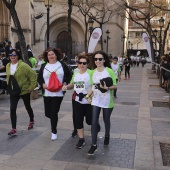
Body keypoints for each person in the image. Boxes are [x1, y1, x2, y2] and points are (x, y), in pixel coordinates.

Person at [38, 48, 71, 140]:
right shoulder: (44, 66)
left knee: (53, 112)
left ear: (56, 55)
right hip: (47, 93)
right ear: (46, 57)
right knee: (47, 113)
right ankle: (53, 120)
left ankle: (54, 131)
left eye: (52, 54)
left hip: (58, 93)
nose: (51, 56)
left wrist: (65, 83)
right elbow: (39, 78)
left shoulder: (62, 65)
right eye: (49, 55)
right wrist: (42, 84)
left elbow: (69, 75)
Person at [87, 51, 117, 155]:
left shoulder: (109, 71)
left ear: (104, 60)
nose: (98, 61)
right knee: (94, 122)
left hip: (107, 101)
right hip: (96, 100)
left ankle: (107, 134)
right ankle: (94, 145)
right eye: (96, 59)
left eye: (100, 59)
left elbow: (115, 85)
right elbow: (93, 86)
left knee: (106, 119)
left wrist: (107, 88)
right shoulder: (92, 72)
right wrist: (87, 96)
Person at [62, 55, 92, 149]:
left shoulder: (91, 73)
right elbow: (72, 84)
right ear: (77, 64)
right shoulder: (76, 73)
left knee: (89, 121)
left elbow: (95, 86)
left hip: (89, 101)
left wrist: (90, 96)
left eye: (84, 63)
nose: (82, 65)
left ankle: (95, 124)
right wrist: (67, 87)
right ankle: (81, 139)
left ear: (87, 64)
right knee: (78, 120)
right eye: (80, 63)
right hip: (78, 100)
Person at [6, 49, 37, 136]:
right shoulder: (8, 65)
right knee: (12, 109)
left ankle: (31, 119)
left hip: (24, 90)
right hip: (13, 91)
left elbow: (33, 75)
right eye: (11, 55)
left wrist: (31, 87)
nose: (12, 56)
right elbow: (9, 77)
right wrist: (8, 86)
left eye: (14, 55)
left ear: (18, 56)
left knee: (27, 106)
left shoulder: (23, 65)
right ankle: (13, 128)